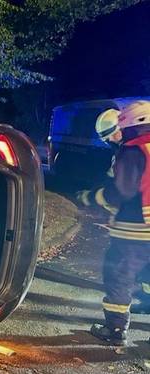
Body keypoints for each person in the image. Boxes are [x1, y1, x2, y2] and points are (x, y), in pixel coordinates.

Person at [77, 101, 150, 346]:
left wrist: (91, 198)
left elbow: (121, 191)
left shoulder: (133, 150)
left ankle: (115, 329)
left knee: (118, 274)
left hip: (136, 228)